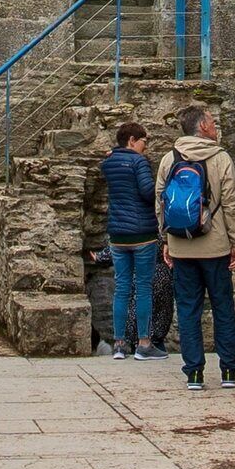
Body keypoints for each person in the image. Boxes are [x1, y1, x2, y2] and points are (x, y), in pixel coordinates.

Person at [156, 104, 235, 390]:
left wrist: (167, 240)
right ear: (203, 127)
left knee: (188, 309)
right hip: (215, 247)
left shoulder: (170, 159)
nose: (216, 128)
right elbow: (231, 203)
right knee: (222, 307)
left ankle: (194, 372)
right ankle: (229, 370)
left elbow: (161, 203)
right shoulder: (221, 158)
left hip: (182, 246)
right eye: (213, 123)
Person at [97, 121, 162, 360]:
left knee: (122, 288)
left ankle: (119, 344)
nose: (146, 146)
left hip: (117, 235)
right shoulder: (139, 162)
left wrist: (113, 152)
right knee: (143, 287)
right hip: (142, 233)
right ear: (132, 140)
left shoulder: (109, 162)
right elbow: (147, 191)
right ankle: (144, 343)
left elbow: (111, 163)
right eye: (144, 141)